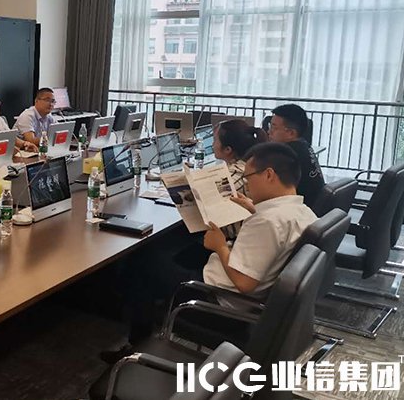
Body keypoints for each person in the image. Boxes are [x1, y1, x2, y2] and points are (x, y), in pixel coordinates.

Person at [102, 142, 317, 362]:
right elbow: (272, 240)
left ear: (269, 175)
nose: (246, 184)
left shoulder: (268, 221)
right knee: (169, 255)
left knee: (142, 262)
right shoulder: (303, 213)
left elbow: (245, 283)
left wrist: (220, 246)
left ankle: (137, 349)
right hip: (244, 299)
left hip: (217, 302)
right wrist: (253, 211)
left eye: (249, 177)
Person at [212, 119, 267, 239]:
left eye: (215, 140)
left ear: (228, 150)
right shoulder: (249, 165)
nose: (212, 144)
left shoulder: (231, 179)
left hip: (231, 239)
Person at [268, 104, 324, 207]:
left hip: (298, 208)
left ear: (291, 133)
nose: (269, 131)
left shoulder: (287, 154)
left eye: (273, 127)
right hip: (311, 207)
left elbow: (269, 190)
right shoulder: (303, 145)